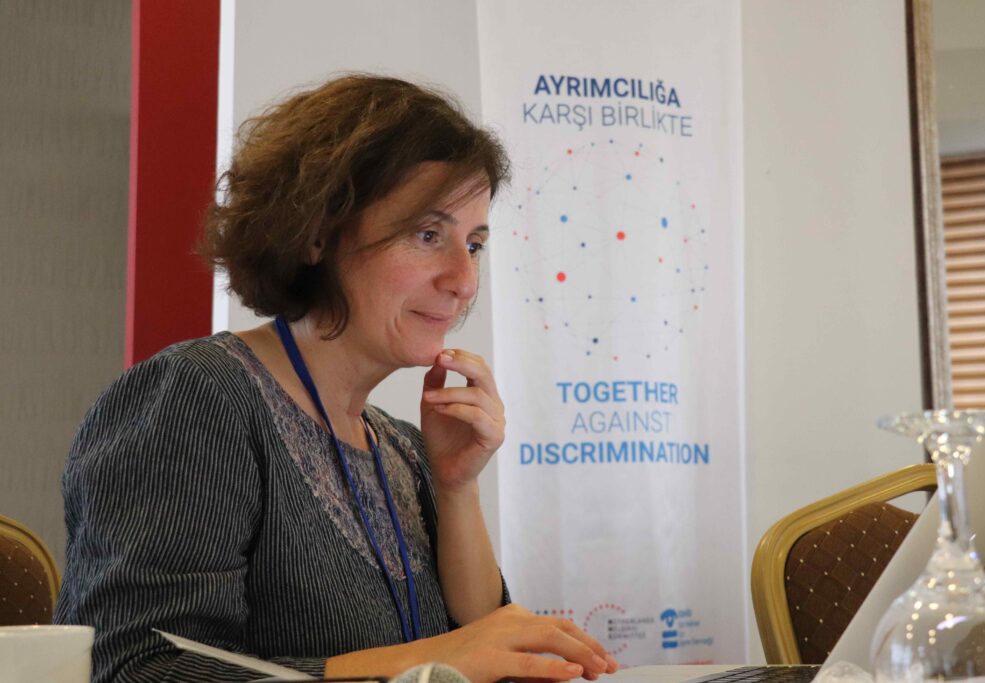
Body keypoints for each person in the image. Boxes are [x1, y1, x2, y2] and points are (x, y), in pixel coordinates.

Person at [55, 75, 619, 683]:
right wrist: (426, 663)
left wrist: (456, 487)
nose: (462, 280)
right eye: (428, 235)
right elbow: (135, 668)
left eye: (474, 244)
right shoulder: (197, 396)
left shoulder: (402, 447)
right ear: (317, 233)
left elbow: (481, 647)